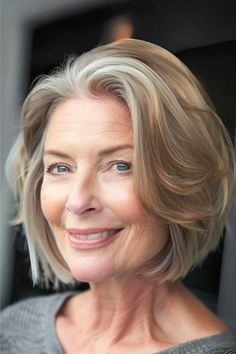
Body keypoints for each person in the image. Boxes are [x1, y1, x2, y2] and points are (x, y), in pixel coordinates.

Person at [1, 39, 236, 354]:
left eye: (121, 165)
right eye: (60, 167)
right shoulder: (12, 330)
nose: (78, 201)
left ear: (182, 183)